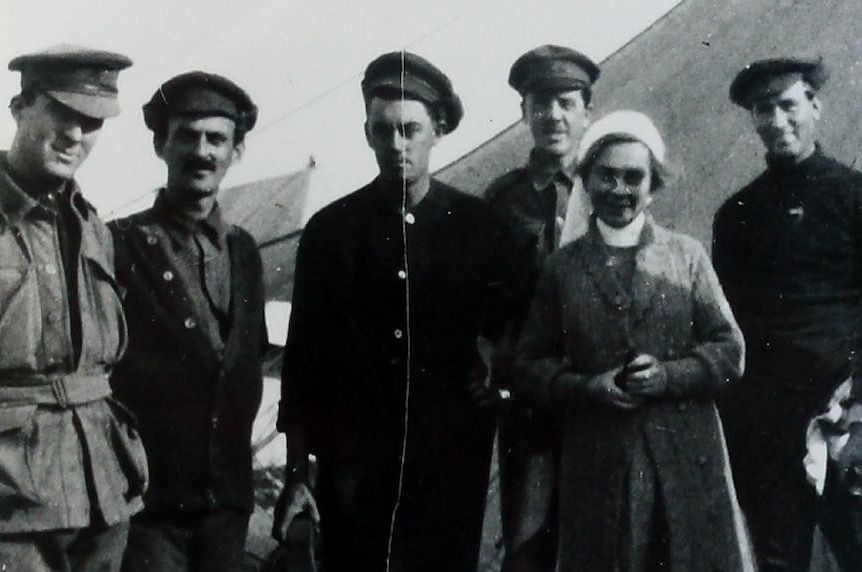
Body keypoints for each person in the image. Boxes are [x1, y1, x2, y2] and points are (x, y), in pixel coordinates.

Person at [274, 51, 516, 572]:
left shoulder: (482, 229)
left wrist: (498, 371)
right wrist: (297, 472)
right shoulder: (329, 232)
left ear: (440, 129)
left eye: (410, 129)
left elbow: (514, 330)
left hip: (450, 463)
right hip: (355, 469)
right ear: (366, 133)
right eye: (383, 131)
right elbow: (302, 364)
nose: (396, 145)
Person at [516, 111, 755, 571]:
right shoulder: (563, 269)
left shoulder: (685, 255)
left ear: (653, 184)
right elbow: (530, 364)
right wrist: (586, 387)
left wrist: (670, 375)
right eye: (606, 176)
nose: (620, 190)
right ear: (586, 180)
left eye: (633, 177)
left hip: (689, 451)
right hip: (600, 453)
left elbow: (731, 350)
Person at [108, 72, 266, 572]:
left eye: (217, 138)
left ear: (236, 151)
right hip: (149, 512)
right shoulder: (119, 245)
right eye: (187, 136)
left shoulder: (245, 251)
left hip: (228, 507)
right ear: (161, 145)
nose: (203, 152)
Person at [0, 45, 148, 571]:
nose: (76, 136)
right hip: (12, 510)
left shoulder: (94, 230)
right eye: (63, 113)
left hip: (101, 494)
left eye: (92, 123)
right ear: (20, 107)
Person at [713, 56, 862, 571]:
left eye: (787, 104)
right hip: (768, 427)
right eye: (762, 109)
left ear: (814, 106)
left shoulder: (854, 195)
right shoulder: (736, 216)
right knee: (780, 562)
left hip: (846, 416)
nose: (777, 121)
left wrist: (856, 396)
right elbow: (725, 325)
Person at [483, 44, 600, 571]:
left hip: (597, 391)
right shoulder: (501, 200)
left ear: (586, 112)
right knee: (528, 542)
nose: (553, 115)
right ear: (524, 112)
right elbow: (482, 303)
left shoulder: (610, 189)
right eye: (540, 102)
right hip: (528, 397)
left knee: (597, 537)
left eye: (566, 102)